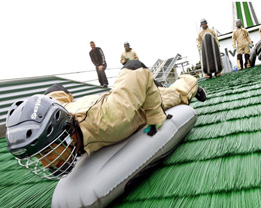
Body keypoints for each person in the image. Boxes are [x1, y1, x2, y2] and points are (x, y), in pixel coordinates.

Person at [6, 60, 207, 179]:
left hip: (134, 102)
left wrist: (155, 117)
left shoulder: (112, 118)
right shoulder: (61, 114)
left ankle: (190, 84)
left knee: (174, 96)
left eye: (47, 153)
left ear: (65, 136)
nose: (44, 163)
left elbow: (135, 67)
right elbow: (56, 91)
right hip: (85, 107)